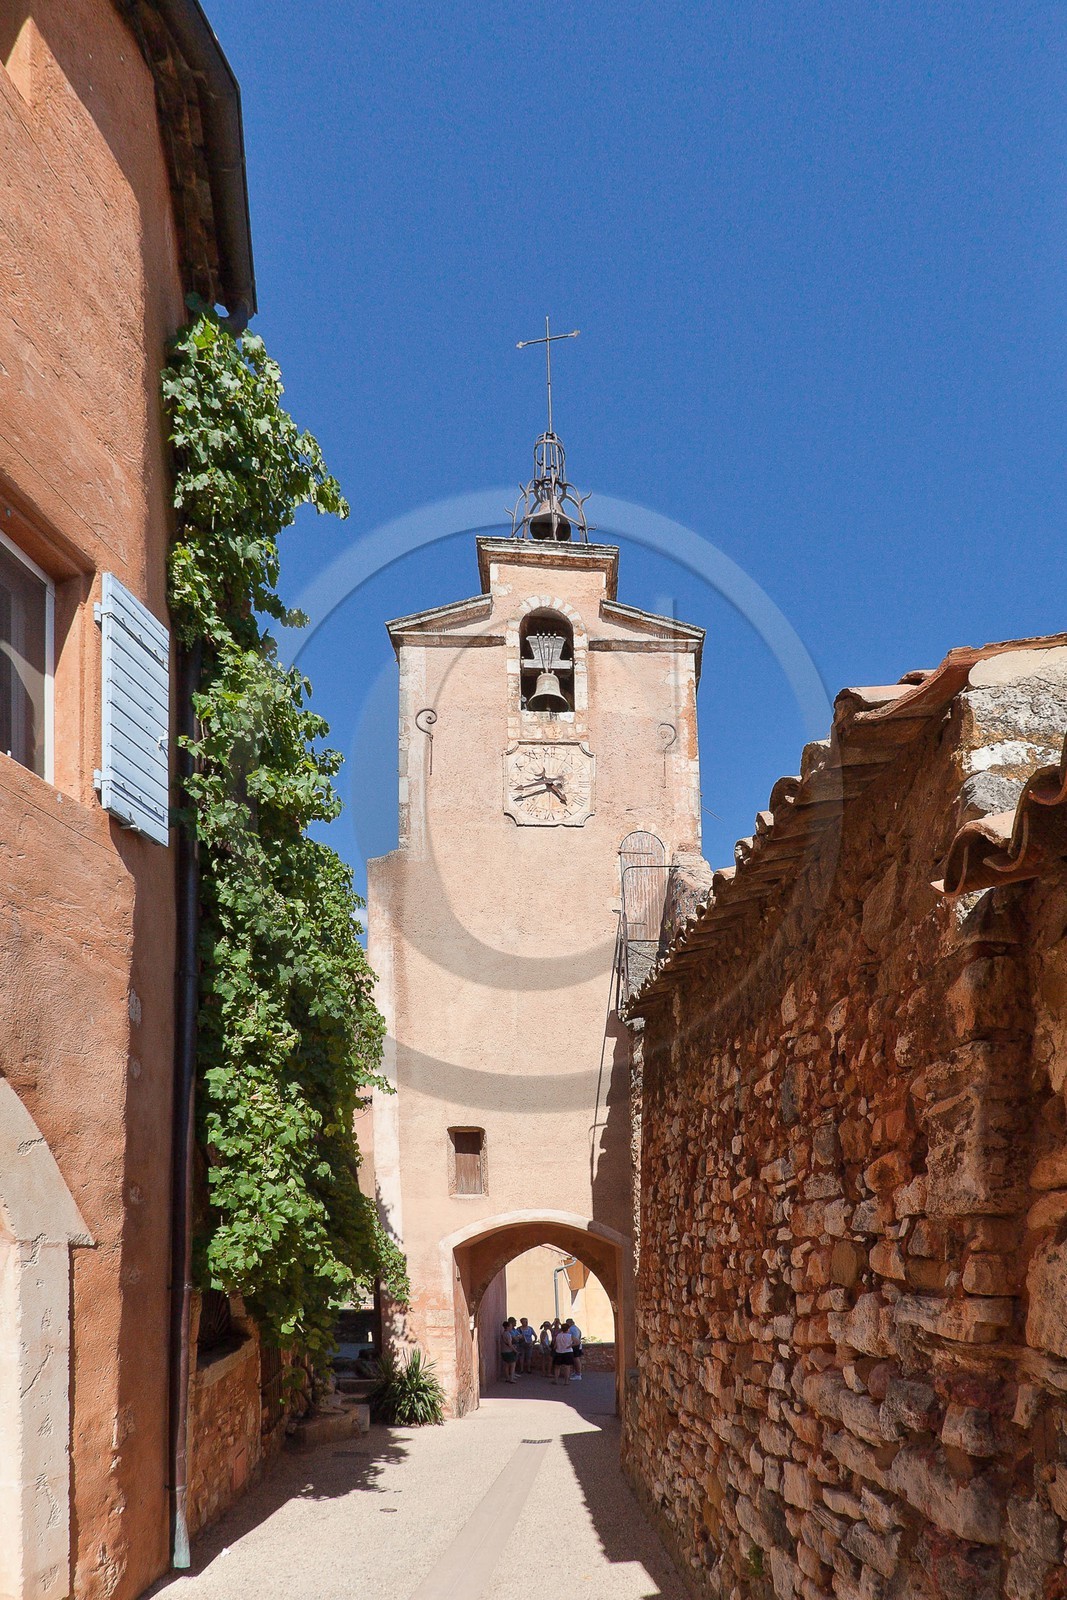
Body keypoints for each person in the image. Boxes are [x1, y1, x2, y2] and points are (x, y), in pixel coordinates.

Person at [552, 1320, 574, 1386]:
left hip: (559, 1352)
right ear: (568, 1329)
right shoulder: (570, 1336)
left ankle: (556, 1380)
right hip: (568, 1352)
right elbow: (577, 1342)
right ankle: (566, 1381)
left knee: (557, 1367)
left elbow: (555, 1345)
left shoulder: (558, 1336)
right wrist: (570, 1345)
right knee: (567, 1367)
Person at [499, 1319, 519, 1385]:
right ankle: (511, 1378)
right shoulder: (508, 1334)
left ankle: (507, 1377)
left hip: (503, 1351)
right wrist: (515, 1351)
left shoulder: (503, 1334)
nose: (511, 1328)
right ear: (507, 1327)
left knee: (506, 1365)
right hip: (509, 1352)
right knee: (512, 1365)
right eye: (510, 1326)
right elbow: (510, 1344)